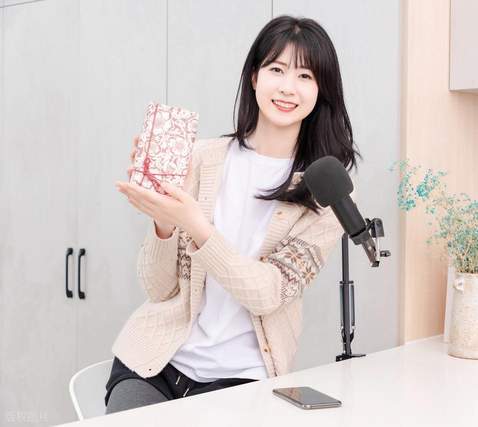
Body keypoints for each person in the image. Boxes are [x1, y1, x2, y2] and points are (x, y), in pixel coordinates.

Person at [105, 15, 360, 414]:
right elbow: (157, 289)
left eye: (305, 76)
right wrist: (164, 223)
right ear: (255, 77)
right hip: (153, 364)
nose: (288, 87)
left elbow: (267, 294)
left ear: (321, 89)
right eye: (277, 69)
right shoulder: (200, 159)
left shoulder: (326, 190)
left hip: (241, 379)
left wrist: (194, 224)